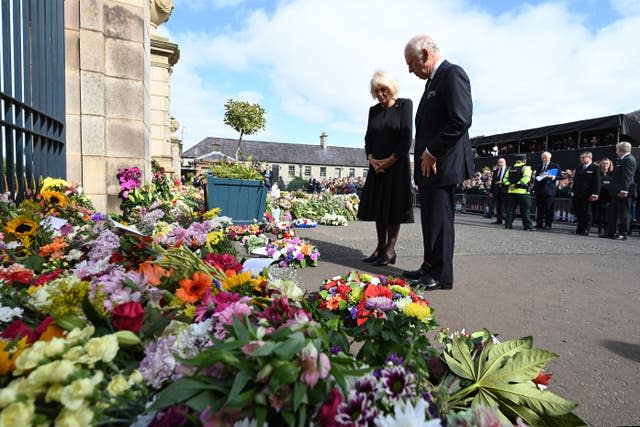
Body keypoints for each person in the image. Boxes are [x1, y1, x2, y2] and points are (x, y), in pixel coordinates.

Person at [401, 35, 474, 291]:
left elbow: (461, 120)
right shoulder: (433, 81)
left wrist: (431, 151)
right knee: (431, 219)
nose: (410, 70)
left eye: (411, 63)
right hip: (430, 165)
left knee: (441, 222)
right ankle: (429, 267)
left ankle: (441, 275)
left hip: (443, 163)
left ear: (424, 54)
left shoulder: (452, 74)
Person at [357, 70, 414, 266]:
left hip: (396, 166)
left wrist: (390, 160)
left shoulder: (404, 105)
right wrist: (371, 159)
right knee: (379, 209)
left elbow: (406, 138)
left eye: (383, 90)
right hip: (377, 166)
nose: (380, 94)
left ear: (391, 88)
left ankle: (390, 250)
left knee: (393, 209)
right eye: (377, 91)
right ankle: (380, 248)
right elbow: (368, 138)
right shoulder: (374, 110)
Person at [600, 141, 637, 240]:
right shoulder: (622, 159)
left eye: (617, 149)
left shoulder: (629, 159)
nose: (616, 152)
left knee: (624, 214)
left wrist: (624, 191)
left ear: (621, 150)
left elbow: (627, 177)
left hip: (623, 192)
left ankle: (622, 233)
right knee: (613, 212)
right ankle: (610, 232)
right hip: (616, 191)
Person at [572, 152, 601, 235]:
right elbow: (576, 181)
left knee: (587, 212)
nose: (581, 159)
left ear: (589, 157)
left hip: (588, 194)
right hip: (578, 193)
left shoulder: (595, 168)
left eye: (583, 157)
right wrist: (573, 191)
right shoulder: (579, 167)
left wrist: (595, 194)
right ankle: (580, 228)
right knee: (579, 211)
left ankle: (586, 229)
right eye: (581, 157)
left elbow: (597, 182)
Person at [503, 154, 533, 230]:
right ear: (524, 160)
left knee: (510, 210)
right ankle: (528, 227)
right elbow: (526, 179)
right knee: (525, 211)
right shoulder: (526, 168)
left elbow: (505, 179)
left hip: (511, 193)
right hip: (523, 193)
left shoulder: (510, 168)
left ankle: (508, 226)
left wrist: (510, 185)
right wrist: (516, 185)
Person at [533, 152, 561, 230]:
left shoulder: (555, 165)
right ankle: (539, 224)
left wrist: (553, 177)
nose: (544, 159)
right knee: (539, 208)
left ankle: (548, 224)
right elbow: (536, 179)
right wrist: (534, 189)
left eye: (545, 157)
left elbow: (560, 176)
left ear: (549, 158)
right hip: (539, 190)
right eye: (542, 157)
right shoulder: (539, 166)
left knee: (549, 209)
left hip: (549, 191)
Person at [595, 158, 613, 234]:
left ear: (609, 165)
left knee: (607, 213)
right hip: (600, 196)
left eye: (607, 163)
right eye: (604, 163)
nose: (605, 165)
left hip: (609, 197)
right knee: (599, 213)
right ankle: (599, 228)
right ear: (601, 164)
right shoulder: (598, 173)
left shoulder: (612, 174)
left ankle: (606, 229)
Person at [489, 157, 508, 224]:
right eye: (499, 162)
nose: (500, 163)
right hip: (497, 191)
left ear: (505, 162)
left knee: (505, 206)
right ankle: (499, 220)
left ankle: (507, 221)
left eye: (501, 162)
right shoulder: (495, 171)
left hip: (505, 190)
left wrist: (502, 182)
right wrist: (491, 191)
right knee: (498, 206)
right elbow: (492, 182)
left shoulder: (508, 170)